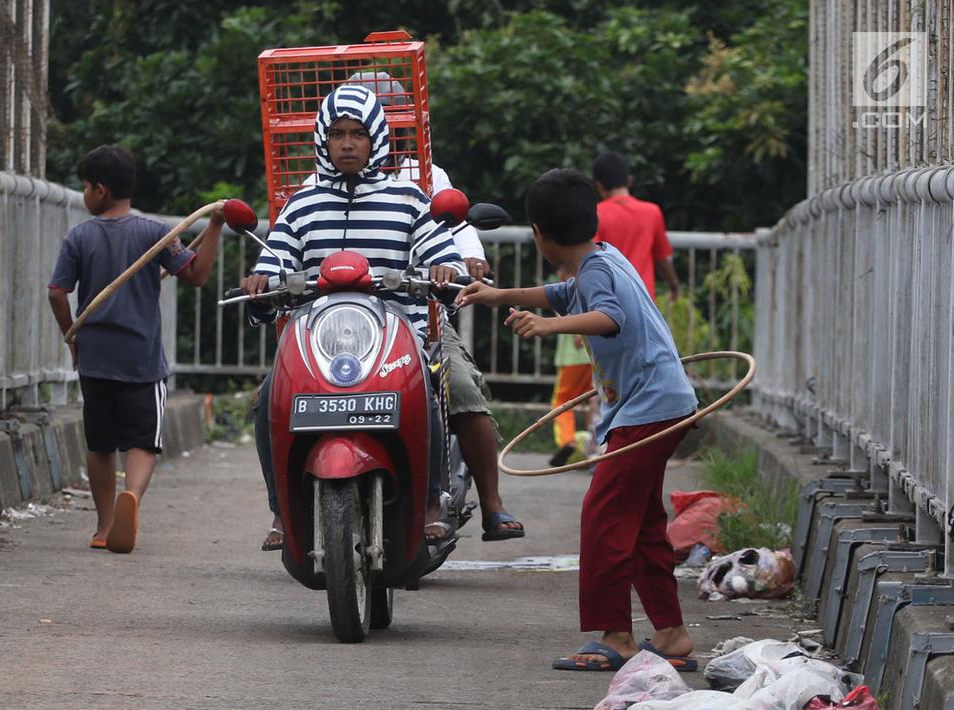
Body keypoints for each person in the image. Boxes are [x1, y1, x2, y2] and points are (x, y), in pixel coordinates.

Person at [243, 84, 523, 552]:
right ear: (322, 140)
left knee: (447, 388)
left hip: (401, 335)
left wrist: (443, 269)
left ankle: (443, 502)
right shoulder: (301, 204)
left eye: (358, 133)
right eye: (337, 134)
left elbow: (443, 256)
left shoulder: (410, 199)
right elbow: (274, 264)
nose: (348, 143)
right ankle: (281, 508)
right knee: (268, 398)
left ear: (377, 137)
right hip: (321, 343)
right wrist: (260, 282)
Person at [457, 168, 699, 673]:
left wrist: (547, 328)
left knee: (604, 514)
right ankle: (671, 633)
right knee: (643, 523)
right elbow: (561, 294)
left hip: (649, 411)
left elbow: (610, 317)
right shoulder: (600, 257)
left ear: (539, 234)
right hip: (661, 406)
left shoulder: (595, 273)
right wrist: (496, 295)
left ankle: (616, 636)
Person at [47, 145, 225, 554]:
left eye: (86, 188)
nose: (85, 195)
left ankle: (104, 525)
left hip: (95, 357)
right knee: (143, 442)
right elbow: (196, 275)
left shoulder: (79, 236)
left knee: (100, 445)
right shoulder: (154, 233)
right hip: (141, 359)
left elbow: (57, 292)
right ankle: (134, 498)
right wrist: (214, 226)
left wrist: (71, 333)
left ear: (101, 190)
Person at [591, 152, 680, 301]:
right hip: (643, 301)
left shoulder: (595, 214)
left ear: (599, 186)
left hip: (607, 302)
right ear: (629, 181)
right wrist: (674, 285)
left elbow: (589, 257)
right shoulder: (652, 212)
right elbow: (663, 259)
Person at [547, 262, 593, 469]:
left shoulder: (567, 292)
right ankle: (594, 444)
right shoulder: (592, 288)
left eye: (561, 269)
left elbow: (576, 328)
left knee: (561, 402)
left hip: (574, 359)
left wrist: (577, 333)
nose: (558, 272)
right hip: (594, 358)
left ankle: (568, 441)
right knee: (594, 402)